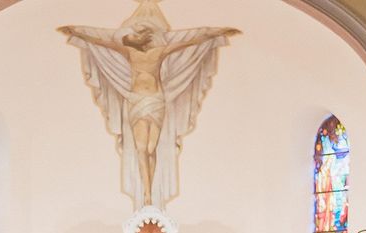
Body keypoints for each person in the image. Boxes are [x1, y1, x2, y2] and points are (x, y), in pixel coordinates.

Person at [58, 1, 240, 207]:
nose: (135, 35)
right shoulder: (128, 52)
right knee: (141, 148)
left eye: (140, 32)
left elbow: (191, 41)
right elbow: (102, 41)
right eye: (135, 32)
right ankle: (146, 193)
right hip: (137, 100)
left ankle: (151, 189)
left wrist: (217, 33)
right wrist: (76, 32)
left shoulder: (160, 52)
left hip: (156, 100)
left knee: (152, 148)